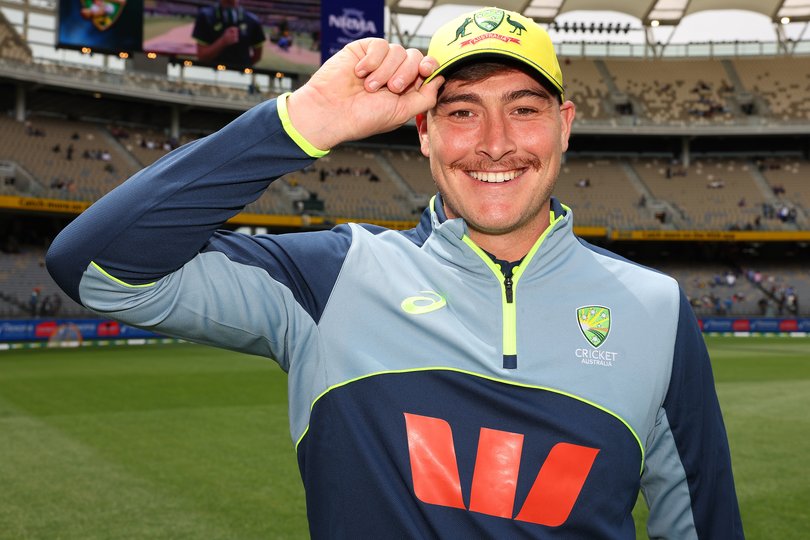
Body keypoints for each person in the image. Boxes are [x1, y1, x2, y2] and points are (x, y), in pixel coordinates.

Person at [46, 6, 743, 538]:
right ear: (424, 132)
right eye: (461, 112)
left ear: (564, 125)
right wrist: (301, 120)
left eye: (523, 110)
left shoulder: (654, 306)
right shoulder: (332, 278)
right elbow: (97, 268)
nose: (495, 143)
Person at [191, 0, 265, 69]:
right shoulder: (206, 16)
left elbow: (257, 56)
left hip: (241, 76)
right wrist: (223, 42)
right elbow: (202, 57)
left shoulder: (253, 20)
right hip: (212, 73)